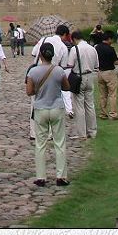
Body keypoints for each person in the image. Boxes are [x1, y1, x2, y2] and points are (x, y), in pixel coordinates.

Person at [26, 42, 71, 187]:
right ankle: (61, 176)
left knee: (40, 144)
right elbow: (66, 87)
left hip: (41, 108)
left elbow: (29, 91)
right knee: (59, 142)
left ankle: (41, 176)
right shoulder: (58, 71)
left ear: (40, 55)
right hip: (56, 107)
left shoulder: (33, 72)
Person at [67, 29, 99, 139]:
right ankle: (92, 131)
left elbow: (70, 64)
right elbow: (96, 65)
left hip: (79, 77)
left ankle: (82, 133)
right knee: (90, 105)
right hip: (90, 76)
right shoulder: (92, 48)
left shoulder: (75, 49)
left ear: (74, 39)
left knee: (79, 106)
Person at [95, 30, 118, 119]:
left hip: (100, 72)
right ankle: (113, 114)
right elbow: (115, 62)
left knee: (103, 95)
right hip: (109, 72)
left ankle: (103, 113)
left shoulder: (97, 47)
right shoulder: (110, 49)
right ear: (109, 39)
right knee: (112, 94)